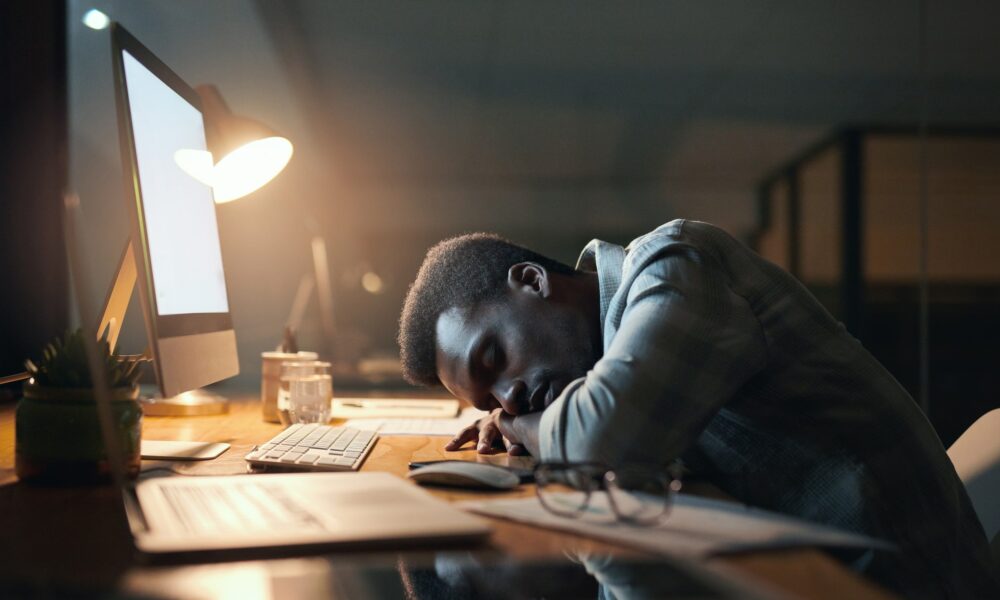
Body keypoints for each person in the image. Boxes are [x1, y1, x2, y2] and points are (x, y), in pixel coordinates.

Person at [397, 219, 998, 599]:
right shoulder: (609, 364)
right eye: (489, 401)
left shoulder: (676, 264)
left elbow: (600, 435)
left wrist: (519, 427)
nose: (508, 398)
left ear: (531, 280)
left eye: (494, 358)